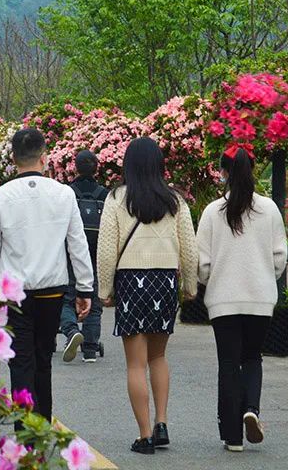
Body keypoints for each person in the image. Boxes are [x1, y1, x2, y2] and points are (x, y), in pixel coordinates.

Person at [0, 128, 94, 425]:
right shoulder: (64, 194)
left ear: (13, 159)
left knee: (20, 360)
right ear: (45, 157)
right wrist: (84, 288)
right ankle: (43, 424)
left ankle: (25, 432)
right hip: (52, 289)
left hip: (13, 294)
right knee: (43, 359)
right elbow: (77, 244)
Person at [97, 137, 198, 455]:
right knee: (158, 357)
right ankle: (162, 422)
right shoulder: (175, 201)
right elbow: (190, 249)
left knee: (135, 365)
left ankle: (144, 436)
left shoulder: (116, 199)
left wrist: (104, 289)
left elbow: (105, 250)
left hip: (131, 282)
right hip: (165, 282)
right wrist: (190, 287)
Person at [196, 143, 287, 452]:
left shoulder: (212, 212)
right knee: (252, 358)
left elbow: (202, 265)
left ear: (224, 173)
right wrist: (263, 277)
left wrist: (210, 281)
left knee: (228, 362)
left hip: (223, 301)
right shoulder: (270, 209)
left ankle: (233, 437)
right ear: (253, 169)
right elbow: (279, 258)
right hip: (260, 300)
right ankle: (252, 409)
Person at [60, 150, 108, 363]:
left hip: (70, 252)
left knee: (67, 297)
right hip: (96, 252)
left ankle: (70, 331)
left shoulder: (67, 192)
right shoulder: (104, 194)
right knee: (93, 298)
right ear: (96, 168)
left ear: (75, 168)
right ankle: (90, 348)